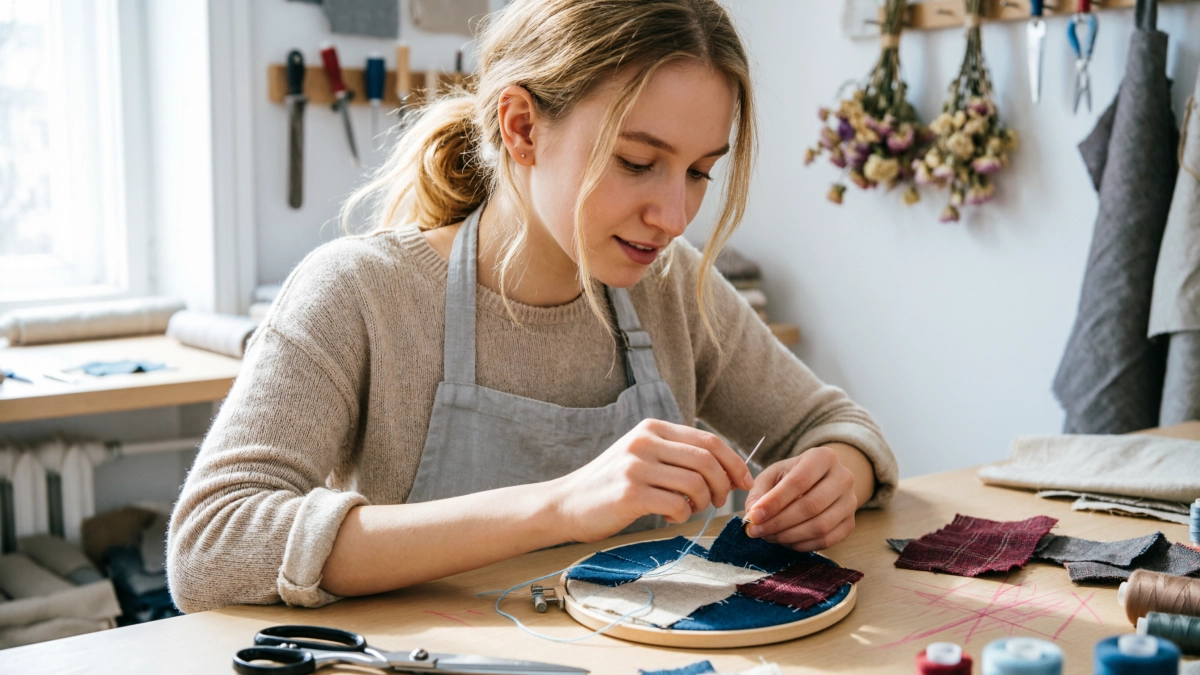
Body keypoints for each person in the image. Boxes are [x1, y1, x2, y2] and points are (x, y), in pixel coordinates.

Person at [167, 0, 897, 613]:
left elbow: (837, 424)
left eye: (700, 171)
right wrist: (561, 505)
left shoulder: (672, 286)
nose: (675, 216)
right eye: (638, 162)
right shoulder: (358, 293)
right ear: (521, 127)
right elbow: (210, 545)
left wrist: (839, 470)